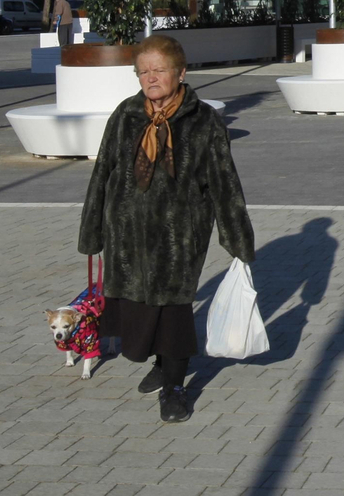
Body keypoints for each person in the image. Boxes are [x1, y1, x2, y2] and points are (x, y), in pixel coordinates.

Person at [79, 34, 255, 424]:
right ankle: (160, 363)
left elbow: (224, 183)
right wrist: (92, 230)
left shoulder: (203, 120)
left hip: (180, 236)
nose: (151, 77)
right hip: (126, 236)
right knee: (138, 309)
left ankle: (175, 386)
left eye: (159, 69)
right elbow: (102, 173)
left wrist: (238, 237)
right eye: (143, 70)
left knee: (173, 309)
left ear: (181, 72)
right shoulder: (125, 114)